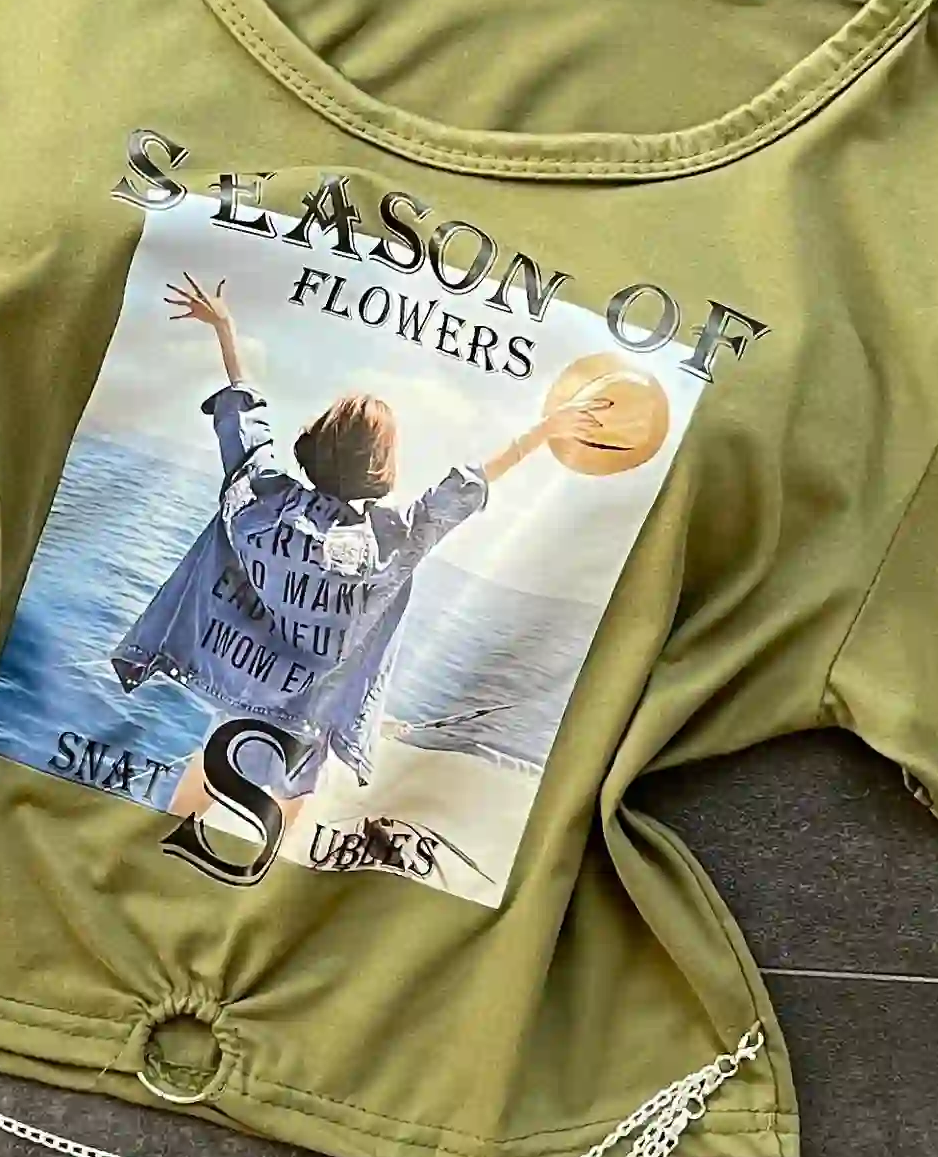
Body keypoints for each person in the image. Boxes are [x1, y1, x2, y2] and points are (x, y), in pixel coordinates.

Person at [110, 271, 604, 840]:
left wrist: (225, 328)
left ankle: (154, 842)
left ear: (317, 442)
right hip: (308, 719)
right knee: (288, 806)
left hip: (241, 692)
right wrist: (544, 431)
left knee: (201, 776)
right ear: (381, 466)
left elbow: (246, 420)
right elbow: (462, 489)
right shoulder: (390, 542)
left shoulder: (261, 500)